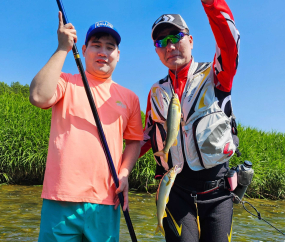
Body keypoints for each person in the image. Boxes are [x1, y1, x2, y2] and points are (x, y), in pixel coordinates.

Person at [30, 11, 143, 242]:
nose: (103, 52)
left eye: (110, 47)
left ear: (118, 55)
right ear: (83, 50)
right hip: (60, 198)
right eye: (96, 45)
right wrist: (62, 48)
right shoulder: (65, 81)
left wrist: (124, 173)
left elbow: (134, 141)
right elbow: (38, 96)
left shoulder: (130, 97)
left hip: (106, 201)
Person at [140, 0, 240, 241]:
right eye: (161, 42)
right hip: (175, 190)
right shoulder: (156, 91)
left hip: (218, 191)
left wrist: (211, 3)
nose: (170, 45)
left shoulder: (216, 74)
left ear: (191, 40)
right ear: (156, 51)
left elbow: (229, 41)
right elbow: (142, 139)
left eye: (176, 36)